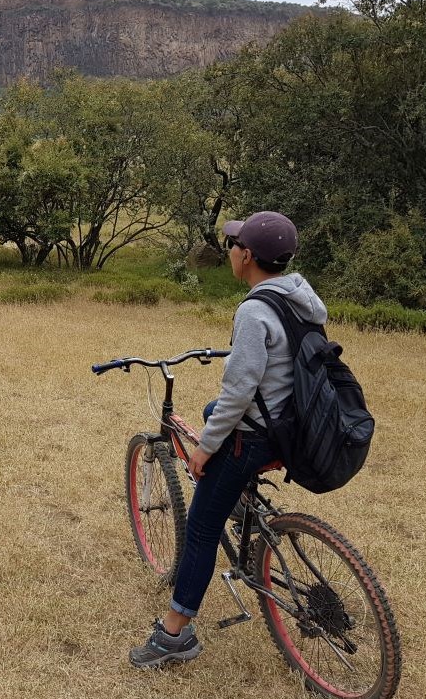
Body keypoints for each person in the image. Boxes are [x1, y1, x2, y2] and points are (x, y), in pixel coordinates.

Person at [129, 211, 328, 668]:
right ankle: (239, 499)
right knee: (210, 411)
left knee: (201, 528)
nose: (231, 251)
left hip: (254, 438)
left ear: (247, 256)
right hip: (292, 429)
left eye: (235, 245)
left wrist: (204, 449)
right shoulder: (298, 296)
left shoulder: (255, 310)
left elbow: (239, 392)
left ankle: (174, 637)